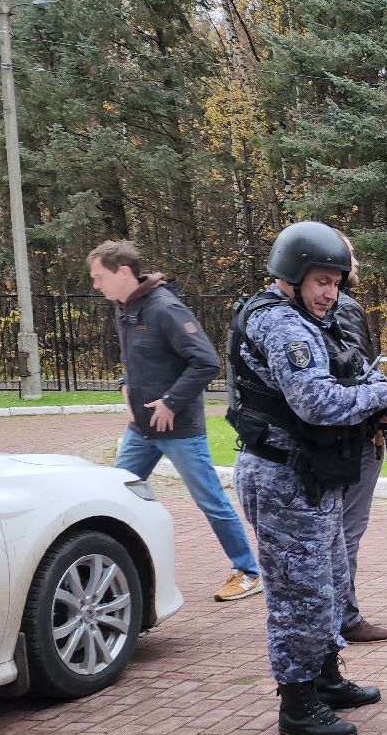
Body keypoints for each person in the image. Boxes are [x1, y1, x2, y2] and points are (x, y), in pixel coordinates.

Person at [225, 221, 387, 735]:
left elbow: (356, 367)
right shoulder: (281, 326)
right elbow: (317, 400)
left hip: (312, 476)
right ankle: (297, 702)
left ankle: (325, 677)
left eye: (336, 282)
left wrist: (383, 392)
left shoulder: (311, 320)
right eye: (322, 281)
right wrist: (381, 398)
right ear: (293, 275)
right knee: (297, 594)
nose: (331, 292)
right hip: (283, 478)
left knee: (324, 583)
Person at [89, 240, 262, 603]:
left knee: (210, 499)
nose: (96, 285)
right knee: (115, 495)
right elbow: (135, 359)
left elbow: (206, 361)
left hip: (178, 428)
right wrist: (126, 387)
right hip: (141, 430)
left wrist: (170, 402)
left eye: (99, 277)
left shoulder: (165, 308)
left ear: (123, 273)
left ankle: (247, 571)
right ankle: (113, 569)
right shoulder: (126, 309)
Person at [329, 235, 387, 642]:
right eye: (350, 255)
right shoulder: (344, 308)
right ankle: (346, 616)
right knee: (346, 531)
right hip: (356, 440)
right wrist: (385, 407)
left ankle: (338, 613)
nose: (357, 262)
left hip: (333, 442)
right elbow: (355, 371)